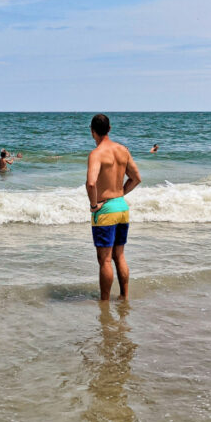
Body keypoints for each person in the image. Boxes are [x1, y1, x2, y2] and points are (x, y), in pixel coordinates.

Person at [86, 114, 141, 301]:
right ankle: (124, 296)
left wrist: (94, 206)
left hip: (106, 212)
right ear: (109, 129)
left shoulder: (96, 154)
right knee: (120, 256)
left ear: (93, 132)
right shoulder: (123, 150)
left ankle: (104, 301)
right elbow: (136, 178)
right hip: (122, 208)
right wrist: (120, 194)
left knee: (105, 260)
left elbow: (91, 184)